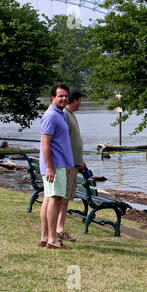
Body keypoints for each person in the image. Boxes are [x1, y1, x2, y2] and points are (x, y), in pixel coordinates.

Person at [39, 84, 74, 250]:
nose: (64, 99)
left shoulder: (59, 114)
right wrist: (51, 167)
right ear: (52, 97)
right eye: (60, 96)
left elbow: (60, 143)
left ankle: (45, 238)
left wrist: (66, 163)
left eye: (66, 96)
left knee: (48, 198)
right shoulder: (51, 116)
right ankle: (53, 239)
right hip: (54, 165)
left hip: (60, 164)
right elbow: (45, 142)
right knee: (55, 199)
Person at [56, 88, 87, 242]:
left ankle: (60, 228)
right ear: (76, 100)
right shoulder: (65, 115)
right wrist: (68, 161)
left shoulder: (72, 115)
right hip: (68, 165)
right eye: (81, 99)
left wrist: (80, 158)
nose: (81, 102)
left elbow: (73, 140)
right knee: (63, 197)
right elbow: (64, 140)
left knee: (67, 197)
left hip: (74, 162)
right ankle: (59, 229)